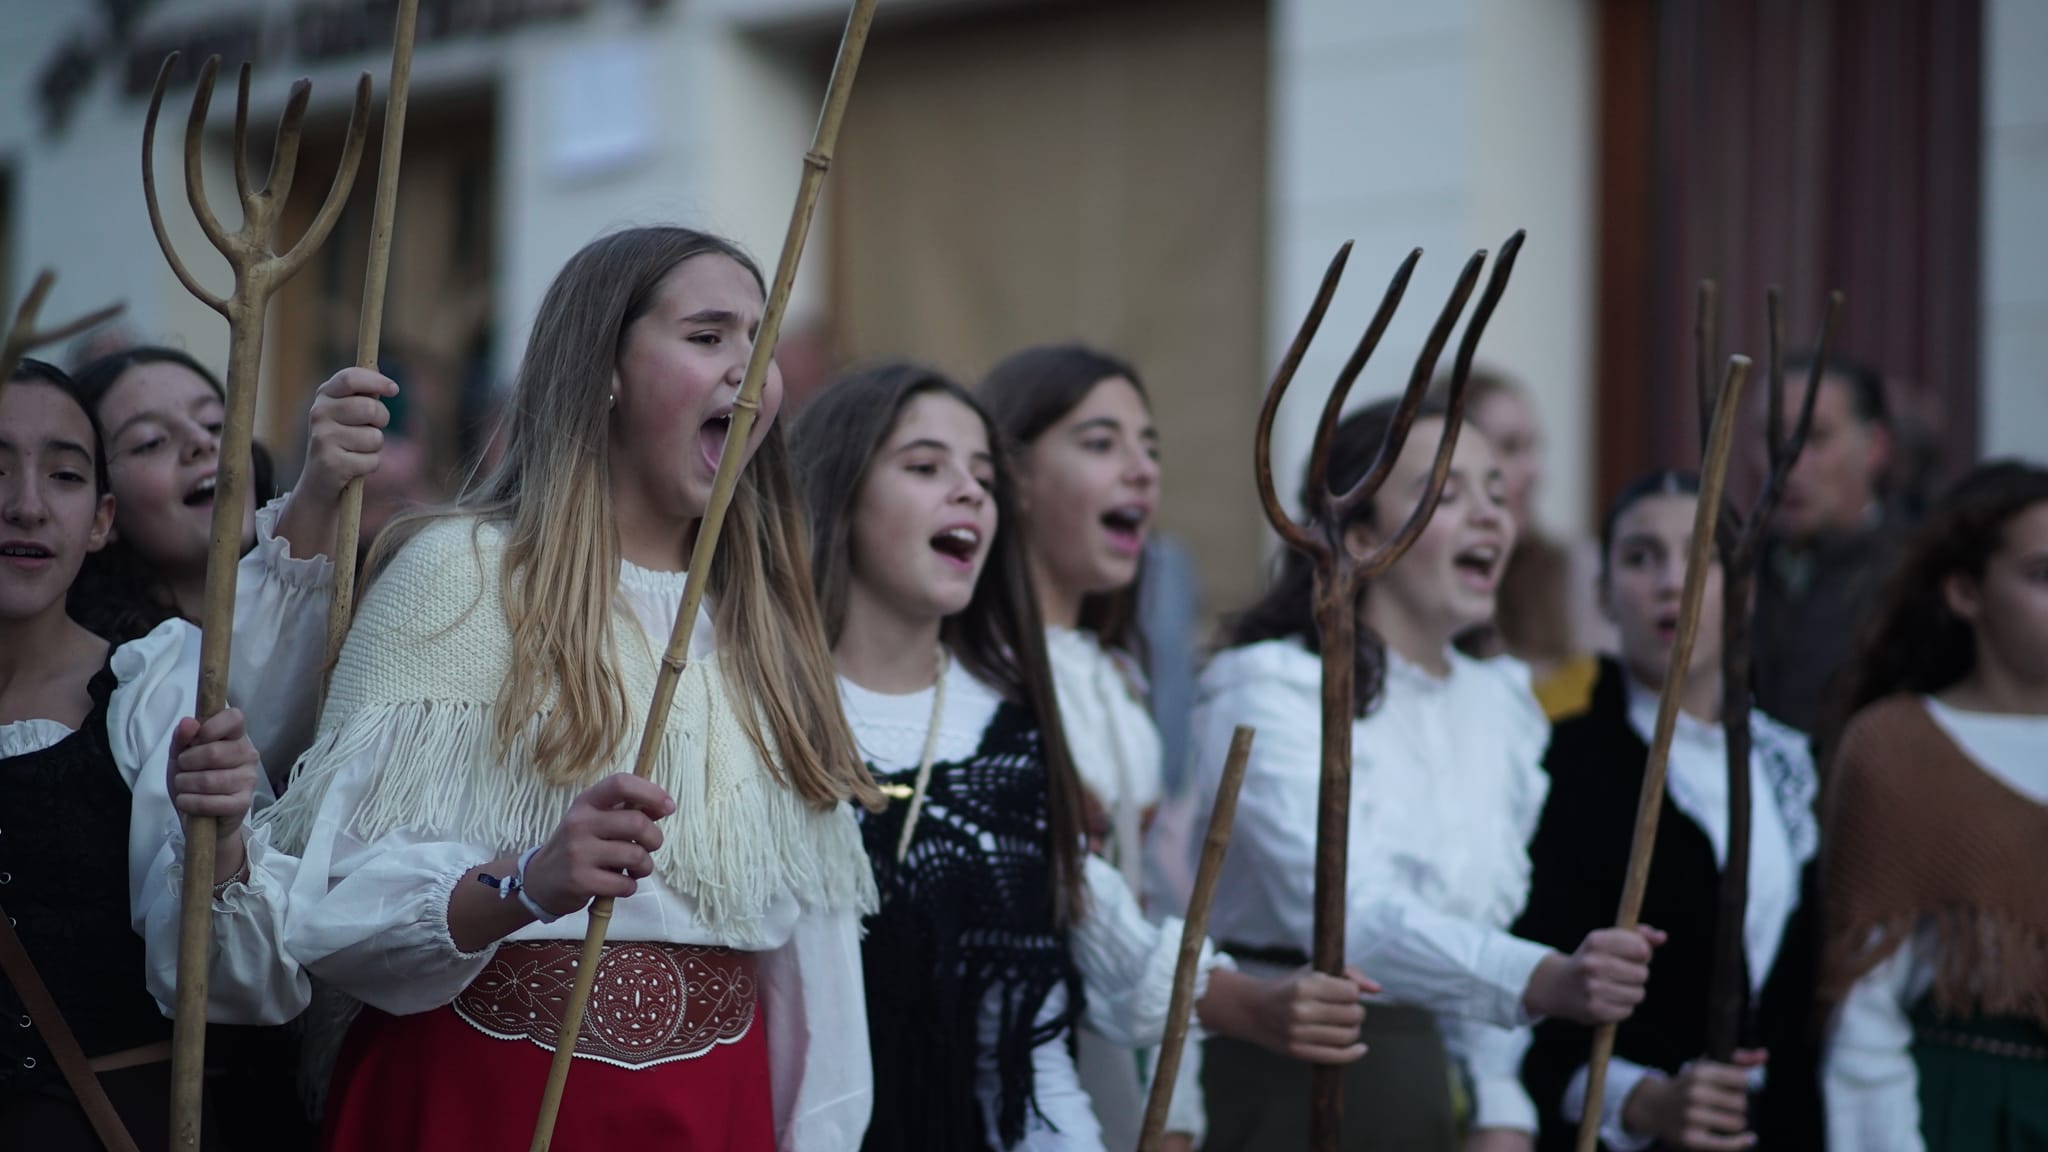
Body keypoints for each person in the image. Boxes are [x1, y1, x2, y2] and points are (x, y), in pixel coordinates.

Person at [260, 226, 880, 1151]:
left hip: (713, 1117)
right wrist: (526, 882)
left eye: (761, 341)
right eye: (708, 337)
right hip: (480, 1103)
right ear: (605, 368)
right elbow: (328, 908)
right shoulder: (459, 579)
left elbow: (816, 984)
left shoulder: (771, 630)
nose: (748, 375)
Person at [795, 363, 1375, 1151]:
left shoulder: (1013, 726)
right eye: (926, 467)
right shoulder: (762, 713)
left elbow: (1055, 990)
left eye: (982, 476)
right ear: (839, 493)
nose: (968, 492)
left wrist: (1258, 1006)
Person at [1193, 397, 1660, 1152]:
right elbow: (1349, 913)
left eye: (1497, 495)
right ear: (1364, 532)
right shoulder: (1272, 687)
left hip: (1442, 1080)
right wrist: (1540, 979)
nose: (1486, 517)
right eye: (1443, 494)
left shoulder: (1502, 701)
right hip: (1287, 1068)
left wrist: (1502, 1109)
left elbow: (1484, 928)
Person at [0, 359, 306, 1150]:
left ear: (100, 520)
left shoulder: (156, 687)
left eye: (63, 475)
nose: (25, 505)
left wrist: (225, 838)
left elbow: (246, 982)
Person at [1514, 471, 1823, 1151]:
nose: (1668, 582)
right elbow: (1522, 1007)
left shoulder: (1793, 764)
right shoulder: (1558, 764)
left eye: (1701, 556)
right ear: (1603, 593)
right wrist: (1645, 1101)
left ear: (1743, 586)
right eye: (1639, 557)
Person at [1820, 461, 2048, 1152]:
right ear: (1964, 591)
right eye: (2043, 575)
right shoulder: (1899, 746)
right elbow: (1863, 1014)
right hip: (1970, 1105)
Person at [70, 345, 395, 774]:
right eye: (150, 442)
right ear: (100, 513)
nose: (202, 443)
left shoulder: (354, 607)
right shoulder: (110, 687)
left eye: (214, 423)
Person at [1443, 370, 1611, 718]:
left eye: (1533, 448)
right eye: (1509, 447)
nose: (1534, 470)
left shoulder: (1576, 574)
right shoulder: (1427, 582)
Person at [1751, 352, 1895, 735]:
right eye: (1770, 438)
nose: (1788, 463)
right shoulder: (1733, 571)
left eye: (1815, 437)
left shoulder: (1915, 573)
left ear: (1874, 446)